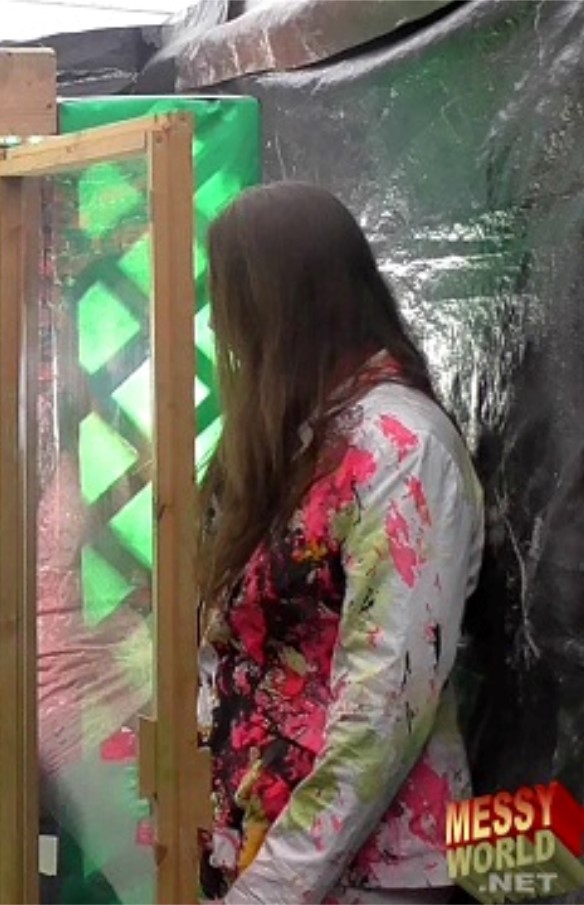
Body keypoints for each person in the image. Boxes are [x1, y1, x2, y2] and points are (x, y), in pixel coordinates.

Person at [195, 182, 483, 904]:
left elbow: (383, 710)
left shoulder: (399, 447)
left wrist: (270, 888)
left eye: (233, 303)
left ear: (286, 306)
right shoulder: (299, 439)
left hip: (367, 874)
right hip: (269, 853)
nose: (223, 330)